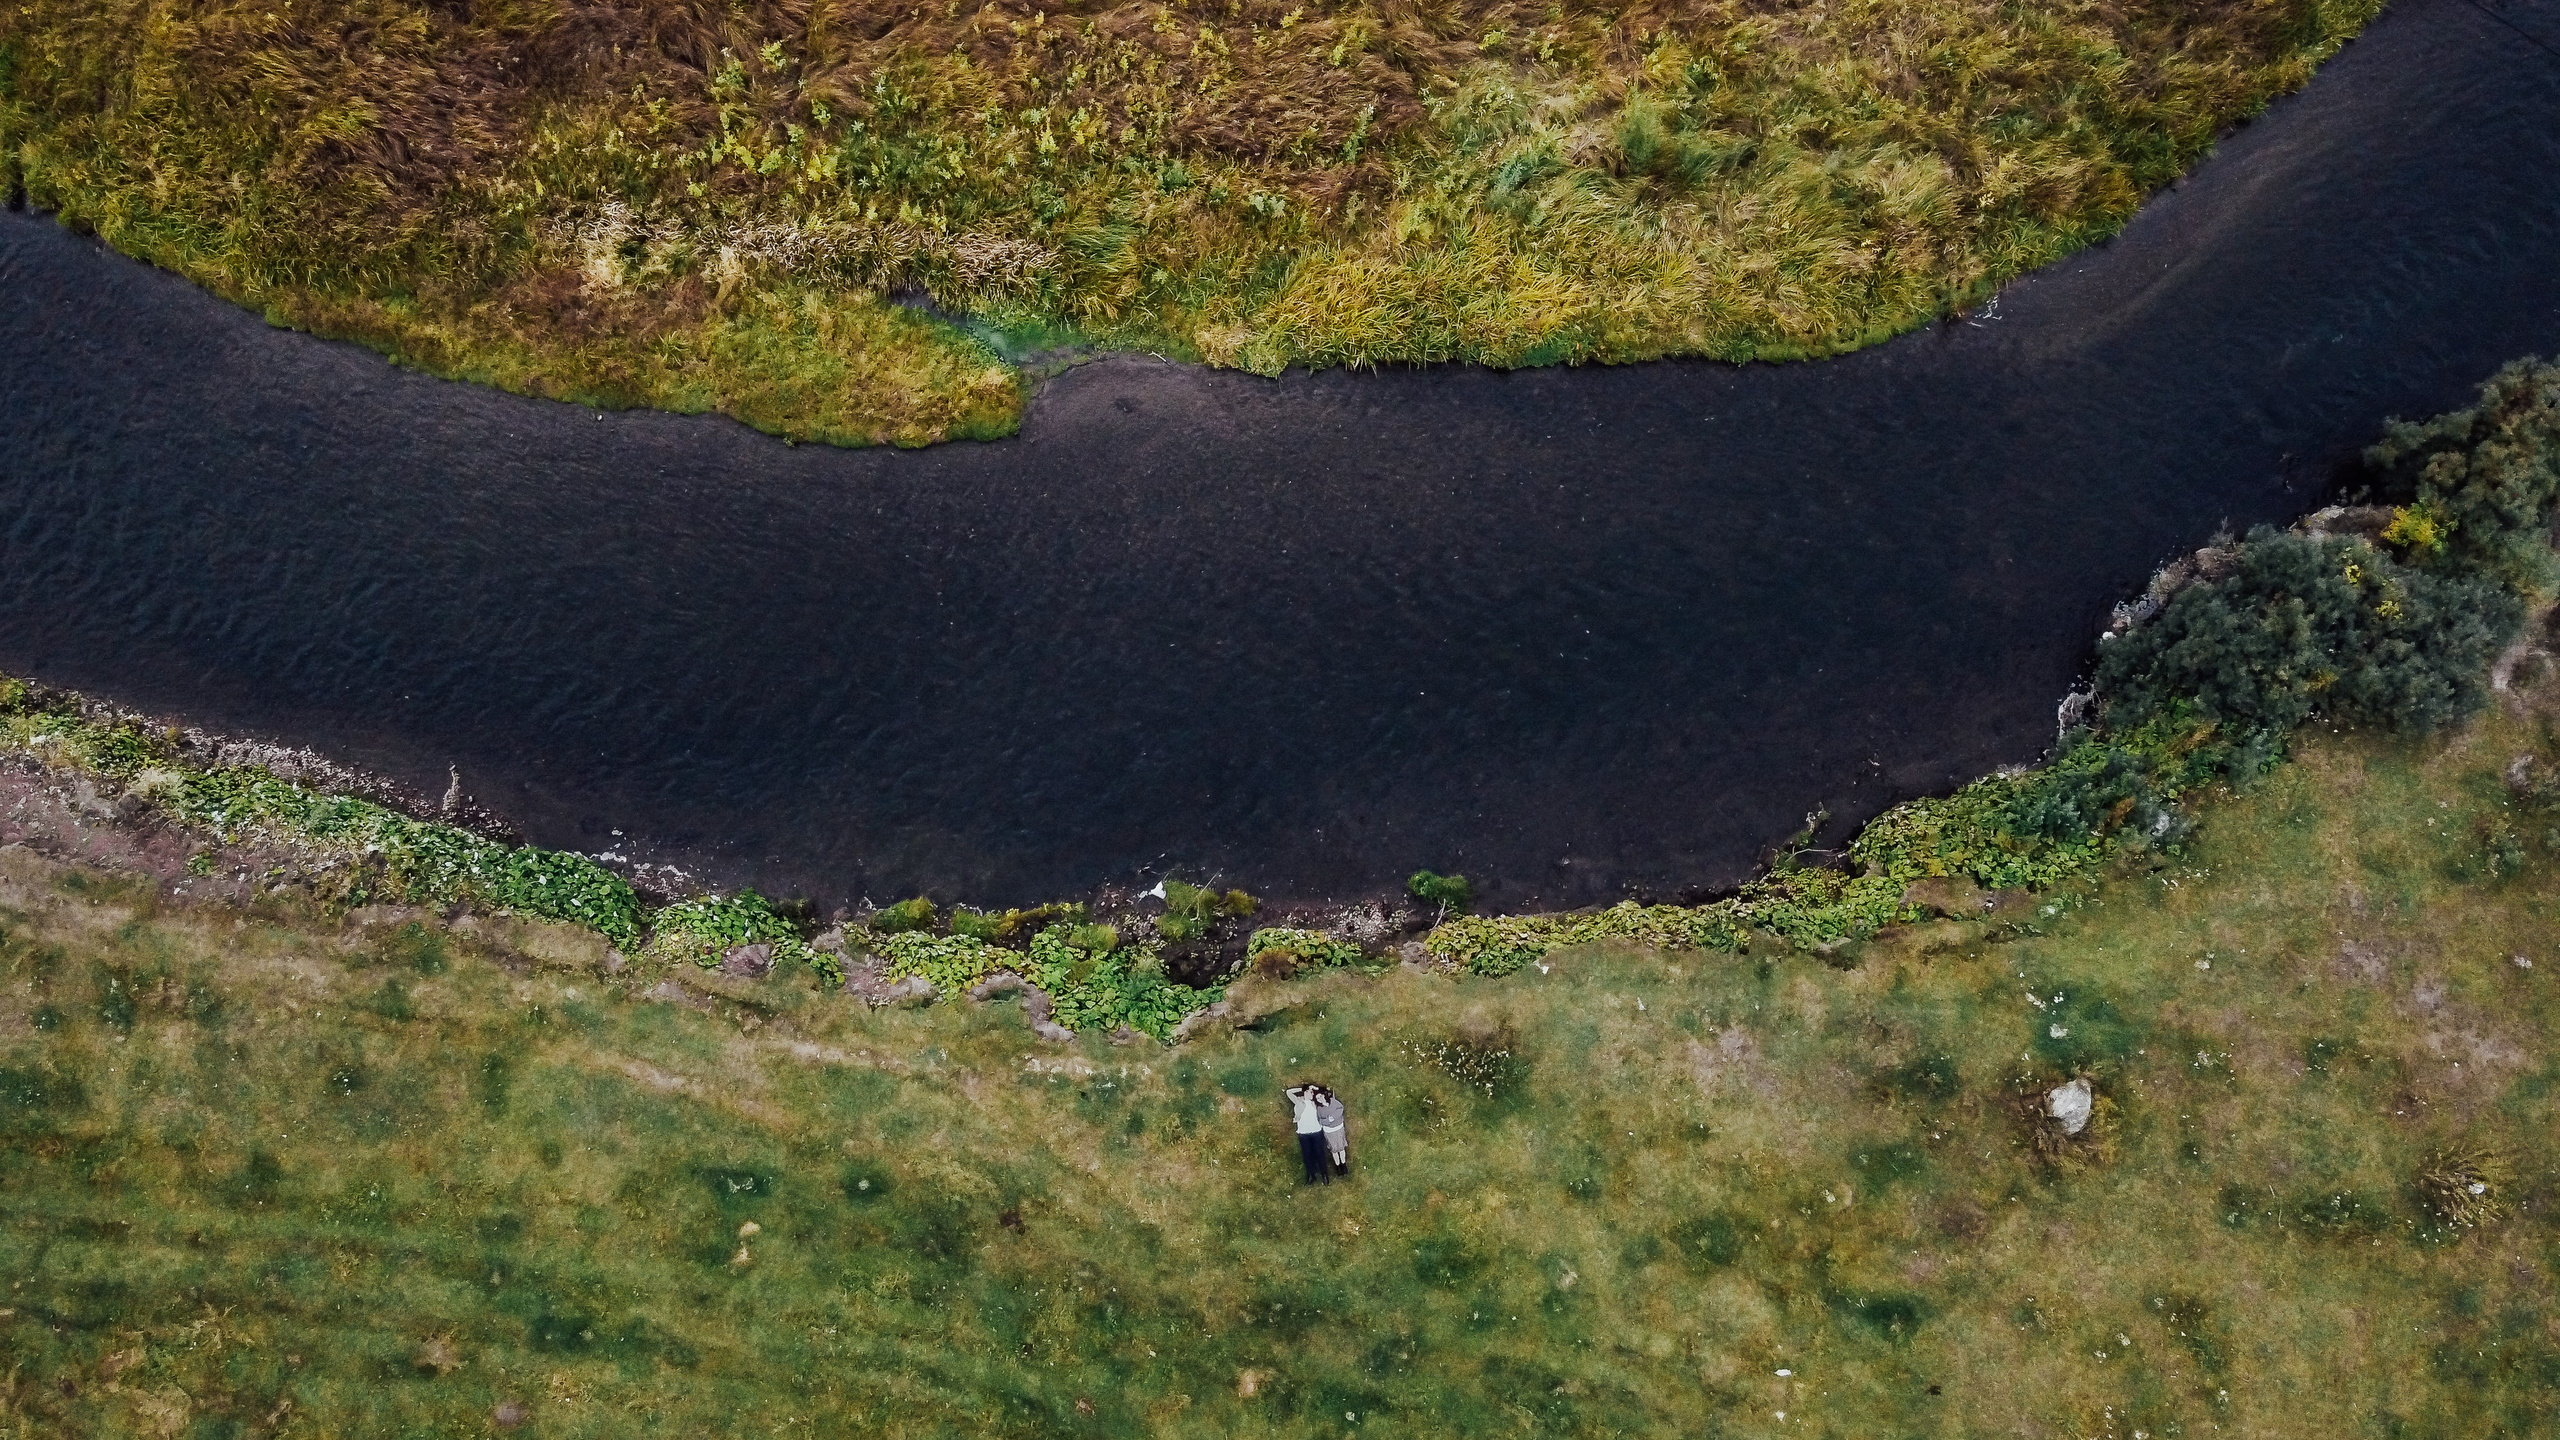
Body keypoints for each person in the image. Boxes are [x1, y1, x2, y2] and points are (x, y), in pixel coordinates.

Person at [1283, 1082, 1330, 1185]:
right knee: (1307, 1155)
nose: (1312, 1094)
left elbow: (1326, 1093)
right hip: (1303, 1133)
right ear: (1305, 1092)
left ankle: (1324, 1175)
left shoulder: (1315, 1102)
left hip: (1316, 1132)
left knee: (1320, 1153)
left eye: (1312, 1092)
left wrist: (1315, 1088)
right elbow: (1288, 1092)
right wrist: (1302, 1089)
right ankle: (1311, 1175)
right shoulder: (1299, 1101)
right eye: (1310, 1092)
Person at [1315, 1086, 1350, 1178]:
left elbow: (1340, 1108)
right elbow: (1320, 1121)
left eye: (1320, 1096)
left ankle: (1344, 1165)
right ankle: (1338, 1166)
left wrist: (1333, 1117)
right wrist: (1328, 1120)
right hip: (1329, 1132)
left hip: (1339, 1128)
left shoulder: (1333, 1101)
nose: (1320, 1099)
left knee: (1341, 1148)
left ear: (1324, 1095)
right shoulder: (1319, 1109)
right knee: (1334, 1149)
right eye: (1318, 1098)